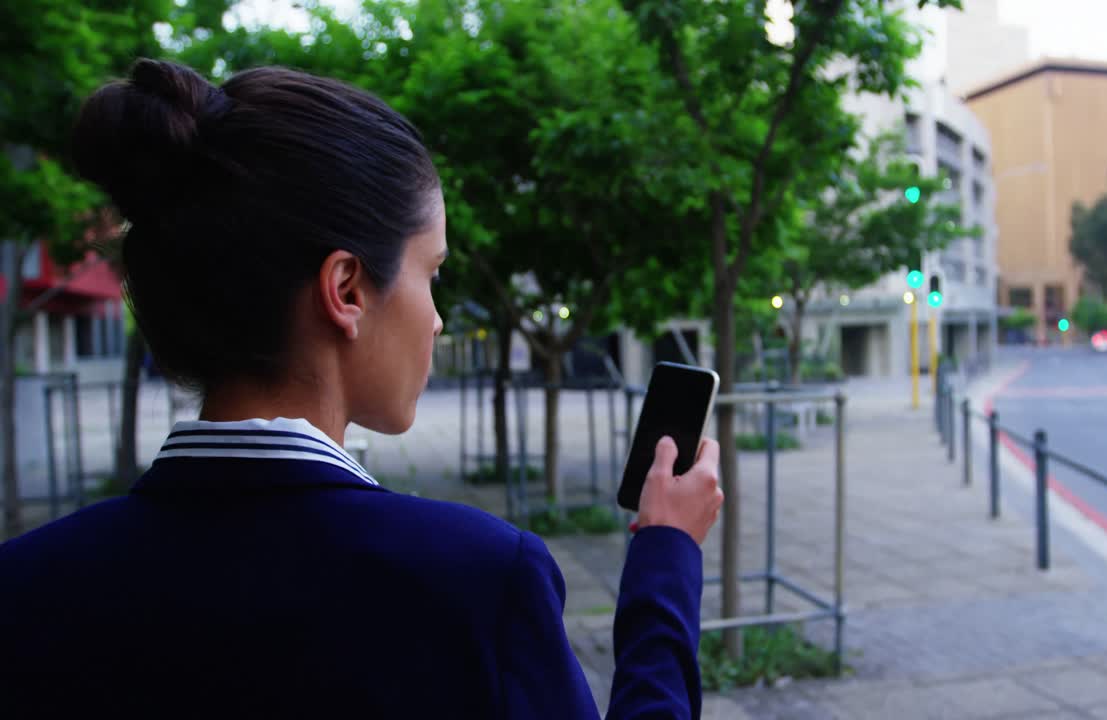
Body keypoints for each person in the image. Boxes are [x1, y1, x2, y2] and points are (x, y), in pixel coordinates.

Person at [0, 59, 723, 719]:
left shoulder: (28, 585)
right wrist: (666, 557)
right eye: (430, 272)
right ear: (346, 288)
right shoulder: (474, 582)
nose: (437, 318)